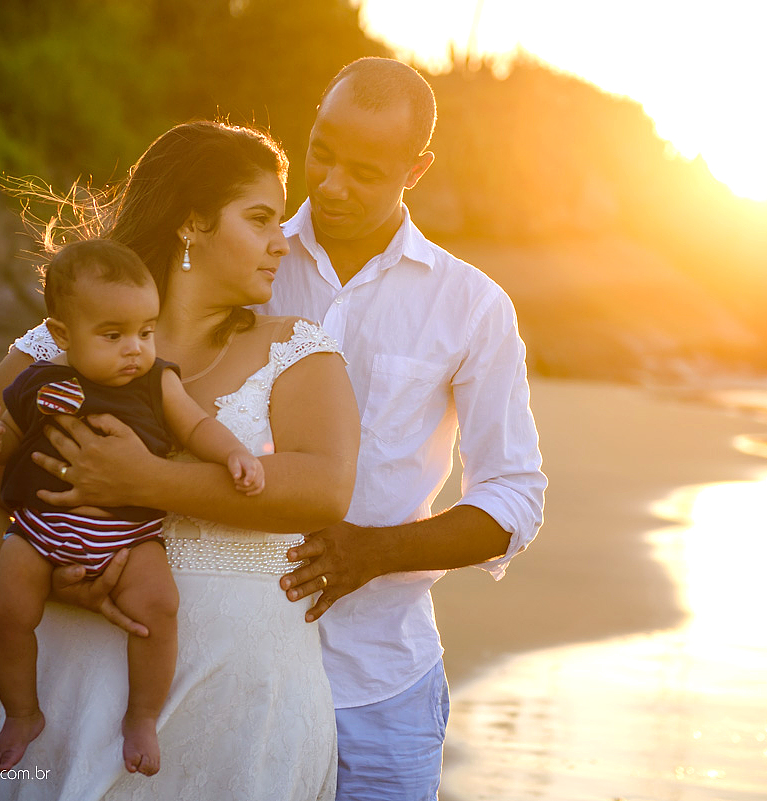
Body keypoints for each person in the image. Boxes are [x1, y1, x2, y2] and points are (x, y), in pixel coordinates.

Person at [0, 120, 360, 800]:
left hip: (246, 711)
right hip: (77, 690)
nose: (282, 242)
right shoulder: (51, 355)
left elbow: (324, 486)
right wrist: (57, 580)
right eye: (259, 219)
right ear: (192, 223)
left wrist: (148, 479)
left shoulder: (297, 351)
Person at [265, 57, 547, 799]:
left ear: (415, 169)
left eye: (363, 170)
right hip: (233, 667)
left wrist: (375, 551)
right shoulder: (248, 264)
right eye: (321, 152)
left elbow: (514, 498)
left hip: (381, 684)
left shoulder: (472, 306)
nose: (329, 184)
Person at [0, 238, 266, 776]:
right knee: (5, 611)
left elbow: (197, 427)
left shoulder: (157, 381)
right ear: (62, 334)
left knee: (159, 607)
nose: (135, 348)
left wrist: (234, 453)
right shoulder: (35, 383)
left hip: (131, 535)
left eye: (146, 332)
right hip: (37, 530)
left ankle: (143, 716)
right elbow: (5, 437)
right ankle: (22, 712)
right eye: (113, 336)